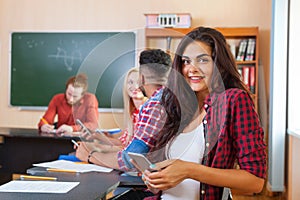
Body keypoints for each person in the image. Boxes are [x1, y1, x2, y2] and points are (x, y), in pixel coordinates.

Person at [141, 27, 267, 200]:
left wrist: (189, 170)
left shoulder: (234, 100)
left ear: (218, 63)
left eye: (202, 60)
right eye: (186, 61)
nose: (191, 69)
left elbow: (255, 181)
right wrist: (155, 178)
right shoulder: (176, 104)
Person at [74, 49, 171, 171]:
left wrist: (90, 156)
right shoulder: (170, 98)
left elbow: (131, 159)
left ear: (141, 78)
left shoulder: (154, 105)